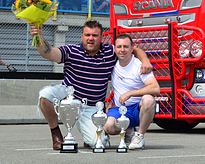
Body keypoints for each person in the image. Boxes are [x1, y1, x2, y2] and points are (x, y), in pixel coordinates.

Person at [30, 21, 153, 150]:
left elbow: (135, 49)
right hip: (69, 98)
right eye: (87, 35)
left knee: (98, 143)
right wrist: (38, 36)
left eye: (95, 35)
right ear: (82, 36)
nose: (90, 38)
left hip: (92, 108)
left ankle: (93, 135)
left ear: (101, 38)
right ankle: (56, 134)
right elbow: (48, 53)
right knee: (46, 95)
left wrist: (145, 61)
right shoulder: (71, 50)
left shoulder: (110, 51)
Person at [103, 34, 159, 150]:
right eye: (119, 47)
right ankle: (129, 132)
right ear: (114, 49)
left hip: (138, 109)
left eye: (126, 47)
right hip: (121, 110)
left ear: (132, 48)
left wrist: (130, 93)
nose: (122, 50)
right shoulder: (111, 62)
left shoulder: (139, 65)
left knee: (148, 99)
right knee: (108, 127)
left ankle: (139, 136)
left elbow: (155, 88)